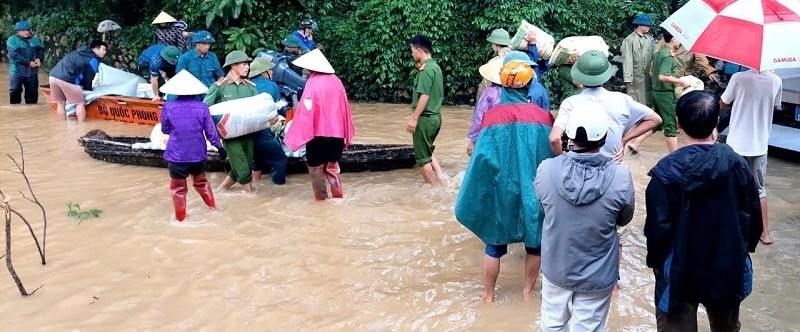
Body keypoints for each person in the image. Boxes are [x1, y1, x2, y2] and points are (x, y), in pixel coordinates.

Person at [644, 91, 763, 331]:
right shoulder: (736, 164)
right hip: (726, 263)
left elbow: (657, 229)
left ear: (678, 123)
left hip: (679, 269)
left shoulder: (665, 172)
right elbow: (753, 215)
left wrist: (656, 264)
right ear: (716, 123)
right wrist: (743, 251)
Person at [455, 51, 555, 303]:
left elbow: (482, 160)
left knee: (494, 244)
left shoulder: (491, 118)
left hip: (501, 187)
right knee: (534, 243)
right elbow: (549, 158)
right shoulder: (543, 118)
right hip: (531, 189)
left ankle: (488, 295)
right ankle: (528, 293)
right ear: (529, 83)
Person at [535, 106, 635, 332]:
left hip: (556, 265)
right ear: (604, 137)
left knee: (552, 325)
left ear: (568, 135)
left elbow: (544, 208)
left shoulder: (546, 169)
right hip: (598, 273)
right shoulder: (621, 176)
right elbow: (624, 219)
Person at [549, 50, 662, 161]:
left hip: (577, 167)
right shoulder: (622, 100)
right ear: (606, 75)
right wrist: (623, 140)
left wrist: (565, 161)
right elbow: (655, 119)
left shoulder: (570, 103)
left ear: (579, 75)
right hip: (612, 166)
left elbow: (554, 139)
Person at [720, 67, 782, 245]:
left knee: (730, 187)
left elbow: (723, 103)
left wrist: (740, 102)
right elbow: (775, 106)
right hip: (759, 144)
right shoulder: (776, 80)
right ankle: (765, 234)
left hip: (736, 144)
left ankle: (729, 230)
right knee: (759, 190)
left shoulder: (738, 78)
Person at [284, 49, 356, 200]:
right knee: (332, 167)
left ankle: (321, 200)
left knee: (315, 168)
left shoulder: (313, 83)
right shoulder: (337, 81)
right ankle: (338, 198)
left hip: (318, 136)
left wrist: (295, 135)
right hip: (337, 135)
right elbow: (345, 109)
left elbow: (306, 111)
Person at [159, 70, 226, 221]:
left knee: (178, 189)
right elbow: (210, 132)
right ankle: (213, 209)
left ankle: (180, 219)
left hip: (177, 156)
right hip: (198, 155)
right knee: (201, 182)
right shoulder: (202, 107)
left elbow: (165, 129)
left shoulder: (168, 107)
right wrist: (220, 148)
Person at [203, 51, 257, 193]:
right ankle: (250, 196)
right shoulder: (220, 86)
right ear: (233, 65)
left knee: (243, 164)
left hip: (248, 132)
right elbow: (205, 107)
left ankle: (219, 191)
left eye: (248, 64)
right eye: (244, 64)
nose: (248, 67)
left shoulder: (250, 87)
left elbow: (258, 109)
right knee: (242, 168)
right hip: (229, 134)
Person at [627, 31, 690, 153]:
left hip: (656, 92)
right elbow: (662, 76)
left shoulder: (659, 53)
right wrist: (681, 82)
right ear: (673, 39)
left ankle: (636, 142)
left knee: (659, 121)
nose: (680, 42)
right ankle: (674, 157)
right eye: (679, 39)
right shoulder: (668, 56)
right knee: (671, 126)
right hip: (665, 94)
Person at [406, 35, 445, 185]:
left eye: (412, 51)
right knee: (427, 152)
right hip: (435, 117)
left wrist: (414, 118)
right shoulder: (436, 67)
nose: (412, 54)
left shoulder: (425, 70)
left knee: (422, 159)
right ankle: (442, 179)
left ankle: (433, 190)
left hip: (425, 119)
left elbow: (424, 96)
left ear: (419, 50)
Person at [248, 57, 288, 185]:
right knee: (280, 160)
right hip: (264, 130)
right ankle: (277, 188)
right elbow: (279, 109)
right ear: (263, 72)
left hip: (248, 131)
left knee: (257, 160)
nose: (272, 72)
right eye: (270, 70)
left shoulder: (246, 85)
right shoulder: (271, 85)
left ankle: (256, 187)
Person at [48, 40, 107, 122]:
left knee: (61, 103)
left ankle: (61, 126)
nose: (105, 52)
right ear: (96, 49)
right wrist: (88, 91)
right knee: (79, 103)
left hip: (53, 76)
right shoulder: (93, 59)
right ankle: (82, 127)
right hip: (66, 78)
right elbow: (88, 78)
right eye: (103, 49)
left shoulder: (79, 52)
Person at [467, 58, 502, 156]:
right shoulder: (512, 94)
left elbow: (479, 118)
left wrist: (472, 140)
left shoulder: (489, 93)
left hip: (489, 134)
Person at [7, 20, 44, 105]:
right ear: (17, 31)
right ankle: (15, 110)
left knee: (32, 93)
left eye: (27, 30)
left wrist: (39, 59)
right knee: (15, 91)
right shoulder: (12, 40)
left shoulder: (35, 39)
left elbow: (40, 50)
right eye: (23, 30)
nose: (26, 32)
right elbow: (14, 55)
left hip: (32, 71)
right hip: (16, 71)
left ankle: (31, 111)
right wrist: (28, 62)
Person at [621, 13, 655, 105]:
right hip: (635, 75)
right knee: (635, 99)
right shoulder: (629, 40)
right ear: (640, 25)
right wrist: (628, 78)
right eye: (647, 25)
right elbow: (627, 59)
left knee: (647, 98)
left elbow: (653, 56)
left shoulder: (650, 39)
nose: (649, 27)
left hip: (647, 74)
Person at [475, 28, 512, 100]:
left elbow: (486, 86)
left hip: (495, 98)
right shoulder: (516, 57)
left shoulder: (493, 62)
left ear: (495, 45)